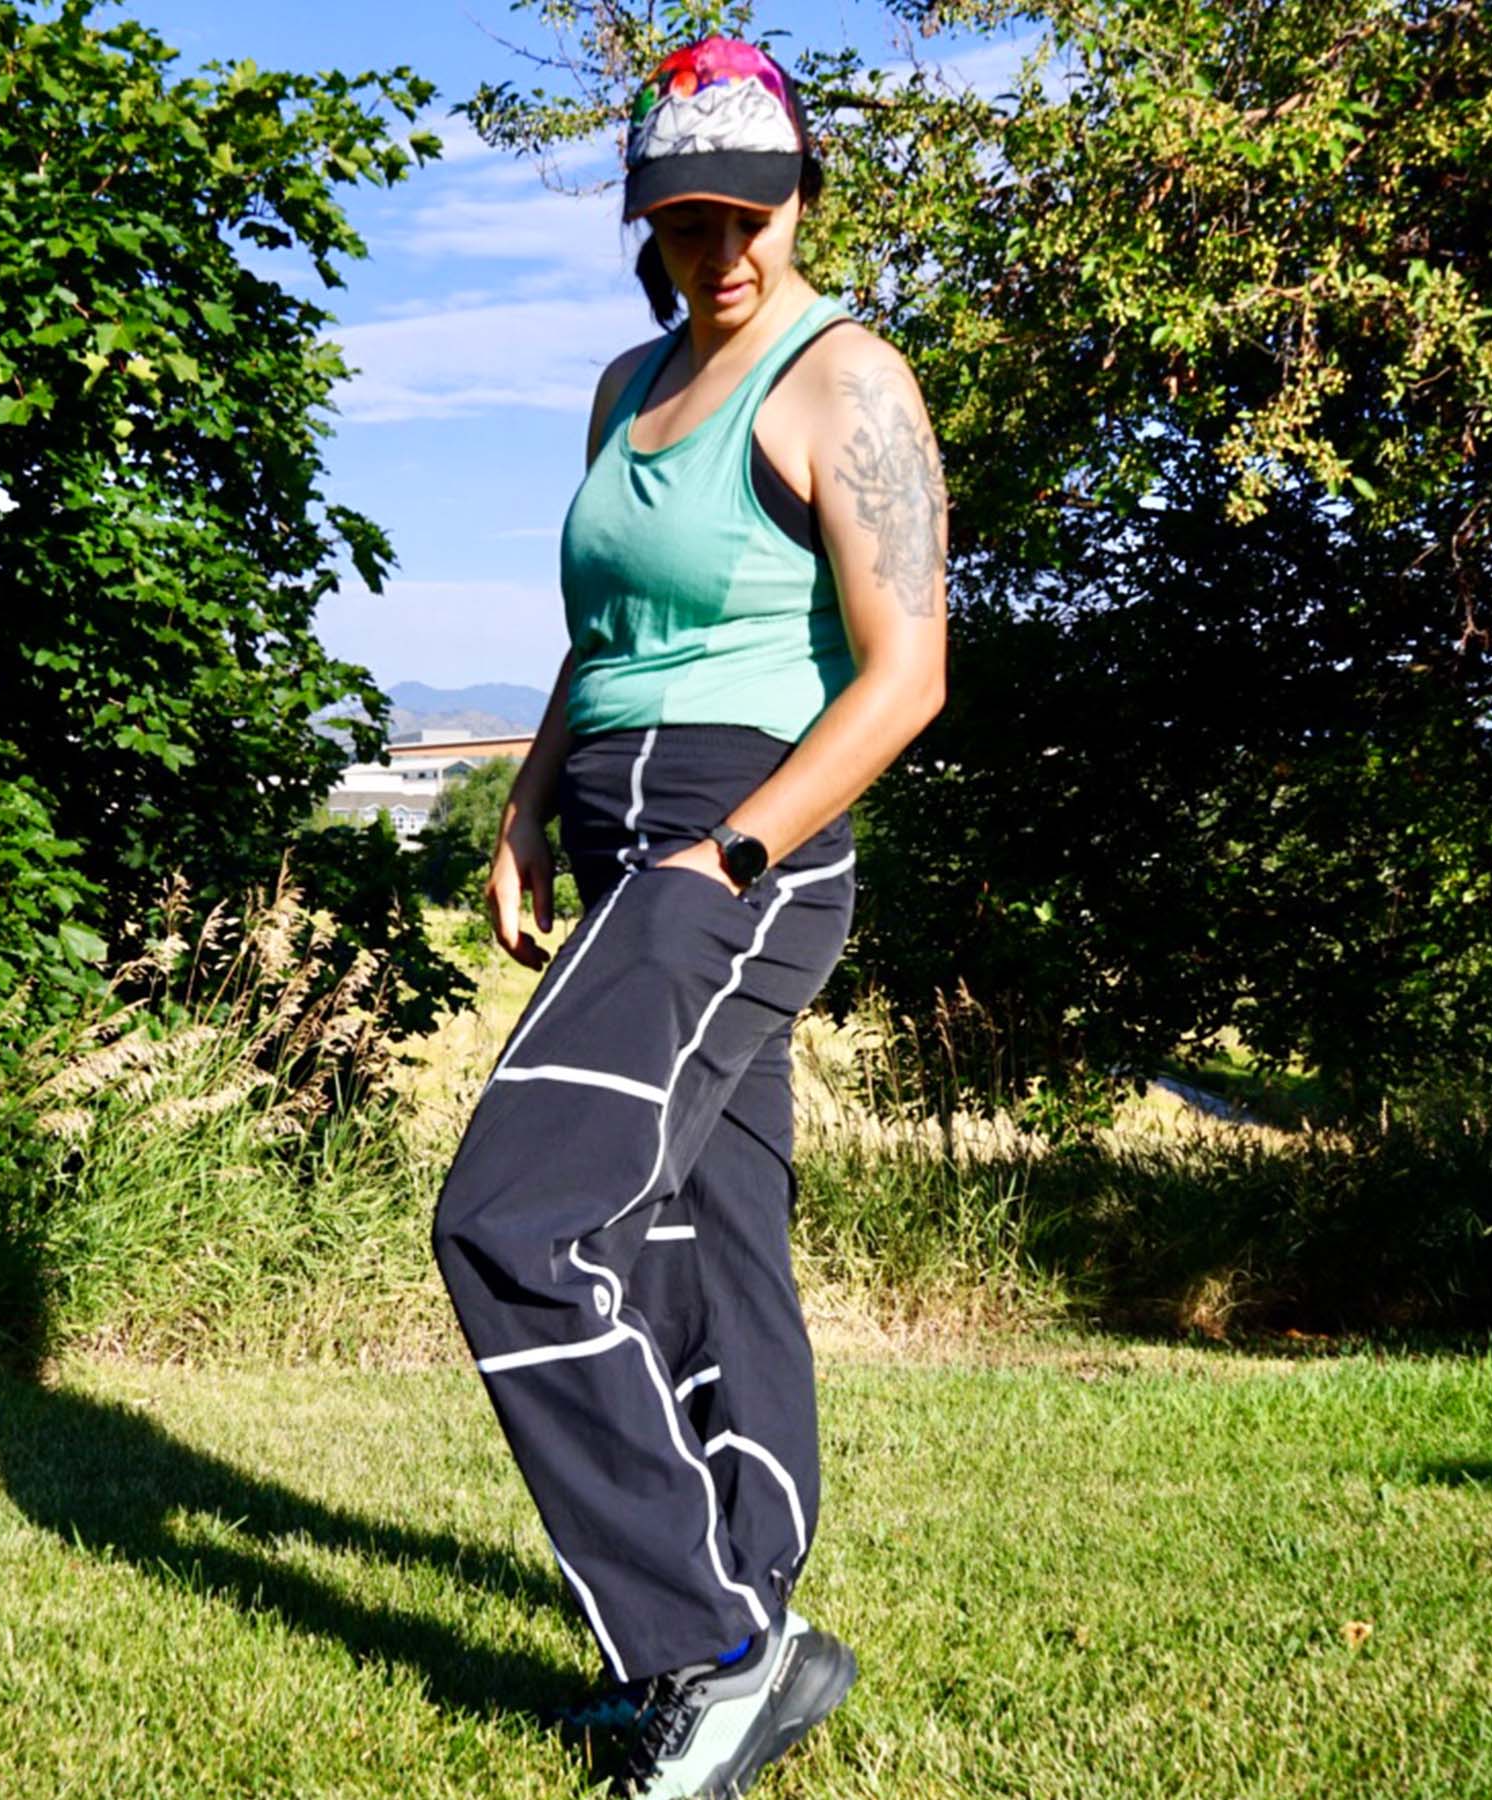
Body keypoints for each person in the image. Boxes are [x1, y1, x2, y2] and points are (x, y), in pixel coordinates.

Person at [430, 35, 949, 1800]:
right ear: (644, 221)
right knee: (705, 1240)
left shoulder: (844, 379)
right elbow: (603, 633)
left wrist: (731, 854)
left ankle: (712, 1653)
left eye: (750, 210)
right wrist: (526, 803)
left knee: (515, 1217)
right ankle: (749, 1620)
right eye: (682, 218)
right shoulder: (624, 384)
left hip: (735, 842)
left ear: (804, 196)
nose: (720, 247)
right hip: (617, 827)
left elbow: (906, 674)